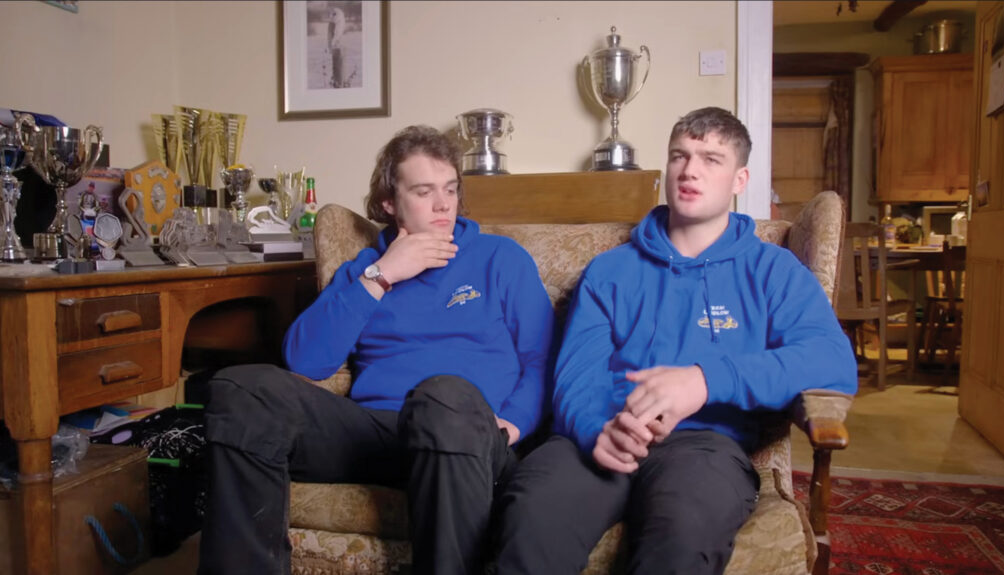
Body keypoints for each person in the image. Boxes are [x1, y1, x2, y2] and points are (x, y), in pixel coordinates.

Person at [494, 107, 858, 574]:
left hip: (704, 447)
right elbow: (574, 377)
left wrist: (704, 381)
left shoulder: (774, 270)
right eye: (679, 156)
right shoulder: (611, 271)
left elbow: (832, 361)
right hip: (601, 435)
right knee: (532, 516)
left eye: (710, 159)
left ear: (739, 179)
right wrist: (595, 431)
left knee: (681, 535)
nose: (689, 170)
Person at [197, 125, 555, 575]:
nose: (444, 204)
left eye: (450, 189)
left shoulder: (500, 258)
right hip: (380, 432)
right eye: (424, 191)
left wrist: (515, 425)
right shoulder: (367, 270)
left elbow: (542, 358)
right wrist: (383, 275)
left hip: (465, 433)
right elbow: (305, 361)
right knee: (241, 389)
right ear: (390, 203)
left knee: (441, 395)